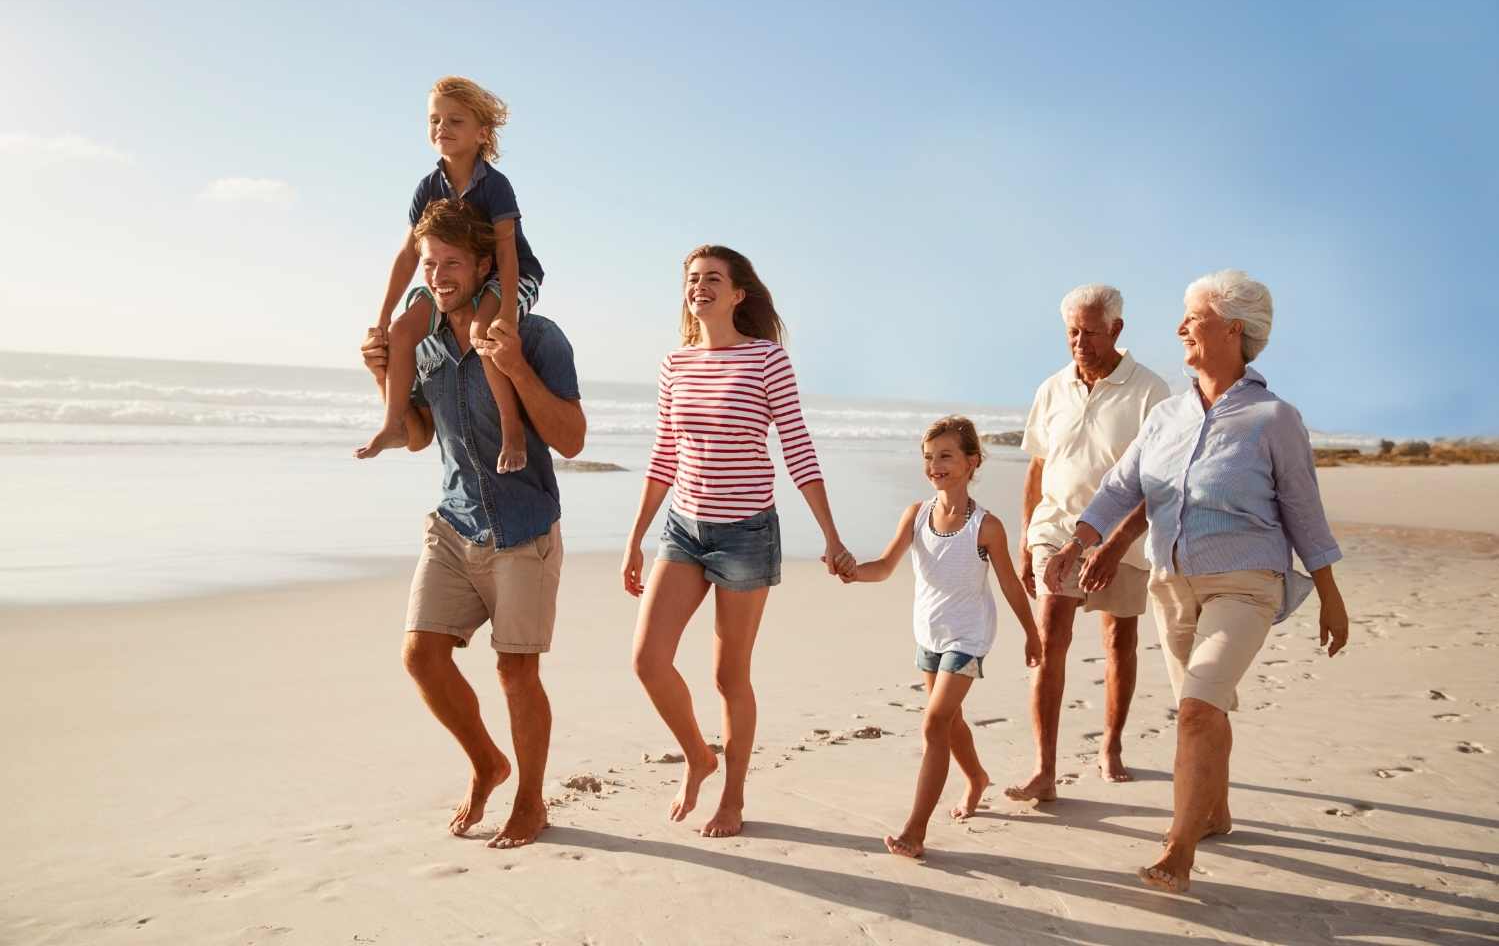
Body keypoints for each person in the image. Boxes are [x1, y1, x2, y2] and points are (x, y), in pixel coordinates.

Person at [1044, 269, 1350, 893]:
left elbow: (1304, 510)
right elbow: (1120, 488)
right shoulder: (1166, 416)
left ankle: (1179, 849)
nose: (1181, 326)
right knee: (1205, 709)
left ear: (1235, 328)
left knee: (1193, 710)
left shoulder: (1273, 418)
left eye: (1195, 316)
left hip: (1246, 584)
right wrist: (1078, 541)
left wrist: (1330, 595)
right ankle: (1215, 811)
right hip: (1172, 585)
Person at [358, 198, 585, 850]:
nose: (439, 275)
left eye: (452, 262)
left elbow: (570, 439)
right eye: (430, 264)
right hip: (454, 522)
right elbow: (417, 434)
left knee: (516, 673)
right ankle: (488, 762)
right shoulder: (424, 344)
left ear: (485, 263)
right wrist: (384, 382)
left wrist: (514, 368)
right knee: (421, 655)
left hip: (524, 528)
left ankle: (531, 801)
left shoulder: (539, 337)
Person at [620, 245, 854, 838]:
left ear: (737, 293)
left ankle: (733, 797)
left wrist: (830, 534)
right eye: (692, 280)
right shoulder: (675, 363)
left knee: (729, 677)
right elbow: (664, 454)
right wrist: (635, 539)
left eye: (712, 279)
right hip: (683, 528)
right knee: (648, 660)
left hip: (746, 534)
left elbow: (798, 447)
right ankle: (699, 755)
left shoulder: (766, 360)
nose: (699, 287)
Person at [836, 417, 1041, 858]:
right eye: (929, 458)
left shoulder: (986, 526)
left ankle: (915, 829)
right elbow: (885, 567)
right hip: (929, 632)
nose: (935, 466)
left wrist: (1032, 633)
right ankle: (977, 779)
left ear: (972, 462)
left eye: (946, 456)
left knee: (933, 723)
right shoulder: (917, 514)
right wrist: (854, 572)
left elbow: (1008, 584)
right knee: (951, 723)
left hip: (968, 637)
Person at [1006, 284, 1170, 802]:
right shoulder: (1051, 388)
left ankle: (1112, 745)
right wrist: (1026, 535)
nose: (1079, 342)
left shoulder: (1151, 391)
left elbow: (1159, 481)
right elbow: (1037, 467)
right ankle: (1044, 768)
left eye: (1090, 332)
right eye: (1072, 332)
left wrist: (1117, 544)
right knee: (1050, 639)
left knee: (1118, 641)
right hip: (1054, 532)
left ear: (1117, 329)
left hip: (1121, 538)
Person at [356, 75, 546, 474]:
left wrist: (506, 313)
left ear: (481, 133)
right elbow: (409, 257)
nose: (442, 128)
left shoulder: (495, 186)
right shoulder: (428, 187)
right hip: (453, 277)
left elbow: (508, 255)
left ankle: (512, 430)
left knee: (482, 331)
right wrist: (381, 319)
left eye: (455, 120)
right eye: (435, 119)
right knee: (403, 331)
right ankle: (392, 424)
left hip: (509, 276)